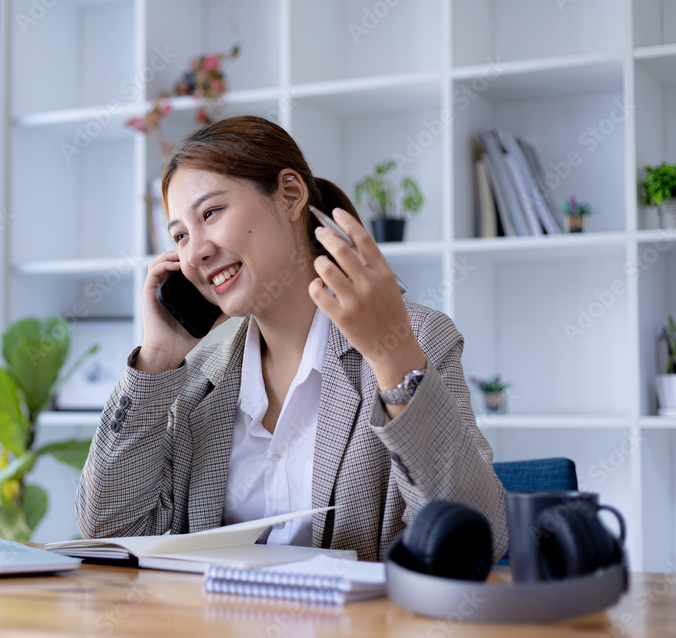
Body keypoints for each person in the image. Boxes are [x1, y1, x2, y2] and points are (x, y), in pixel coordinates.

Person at [75, 115, 508, 562]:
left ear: (290, 195)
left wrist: (391, 356)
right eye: (180, 235)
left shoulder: (415, 341)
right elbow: (111, 529)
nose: (196, 251)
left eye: (211, 213)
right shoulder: (195, 381)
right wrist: (156, 358)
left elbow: (479, 539)